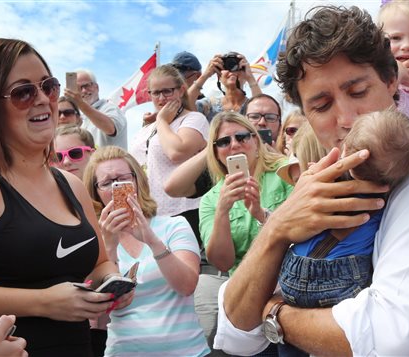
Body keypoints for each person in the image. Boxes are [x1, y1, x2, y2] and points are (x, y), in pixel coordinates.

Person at [214, 6, 409, 356]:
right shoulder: (314, 185)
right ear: (306, 114)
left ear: (390, 82)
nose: (347, 119)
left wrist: (275, 314)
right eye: (321, 106)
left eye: (357, 92)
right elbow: (236, 334)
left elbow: (392, 339)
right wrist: (277, 227)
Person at [0, 38, 131, 357]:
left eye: (48, 86)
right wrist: (44, 302)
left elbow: (99, 262)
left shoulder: (72, 185)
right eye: (23, 92)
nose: (42, 99)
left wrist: (112, 283)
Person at [278, 109, 409, 357]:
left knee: (291, 345)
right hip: (346, 283)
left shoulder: (325, 183)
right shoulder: (388, 198)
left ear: (347, 152)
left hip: (292, 276)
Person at [83, 146, 210, 357]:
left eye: (122, 179)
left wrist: (152, 240)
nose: (116, 186)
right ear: (96, 193)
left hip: (186, 350)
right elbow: (97, 310)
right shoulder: (94, 239)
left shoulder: (174, 225)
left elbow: (187, 286)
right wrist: (110, 246)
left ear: (137, 181)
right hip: (123, 350)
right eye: (107, 183)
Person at [196, 111, 293, 354]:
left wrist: (261, 214)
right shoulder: (210, 199)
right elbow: (221, 261)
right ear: (216, 152)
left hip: (292, 289)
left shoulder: (284, 173)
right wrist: (222, 210)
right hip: (248, 300)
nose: (234, 145)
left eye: (242, 137)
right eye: (224, 141)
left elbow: (303, 229)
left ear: (256, 143)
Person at [145, 64, 209, 245]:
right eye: (155, 93)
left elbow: (177, 152)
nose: (161, 98)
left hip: (188, 211)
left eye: (167, 91)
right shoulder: (152, 128)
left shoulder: (194, 119)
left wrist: (161, 121)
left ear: (181, 90)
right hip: (156, 214)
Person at [65, 69, 127, 149]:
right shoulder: (82, 119)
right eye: (78, 88)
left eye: (87, 85)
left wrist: (81, 104)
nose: (84, 91)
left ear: (96, 87)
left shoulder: (110, 108)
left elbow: (110, 129)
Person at [192, 52, 263, 122]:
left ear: (245, 74)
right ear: (219, 76)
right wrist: (206, 74)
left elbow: (264, 109)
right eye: (226, 66)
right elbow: (184, 106)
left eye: (237, 67)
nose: (232, 71)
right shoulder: (209, 106)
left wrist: (250, 78)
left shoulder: (252, 105)